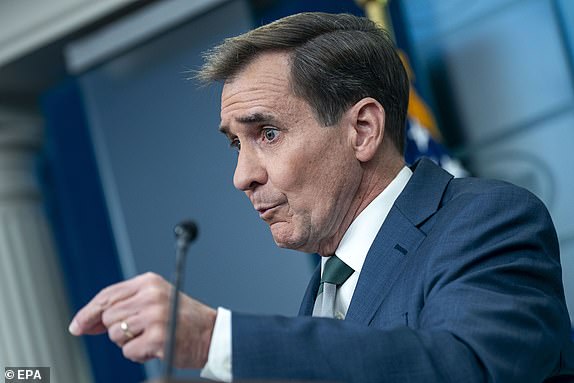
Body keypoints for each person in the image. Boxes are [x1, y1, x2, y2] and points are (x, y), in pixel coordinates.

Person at [68, 12, 574, 382]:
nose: (241, 176)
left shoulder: (487, 220)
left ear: (362, 129)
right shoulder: (323, 293)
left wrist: (213, 340)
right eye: (233, 144)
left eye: (266, 132)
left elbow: (469, 368)